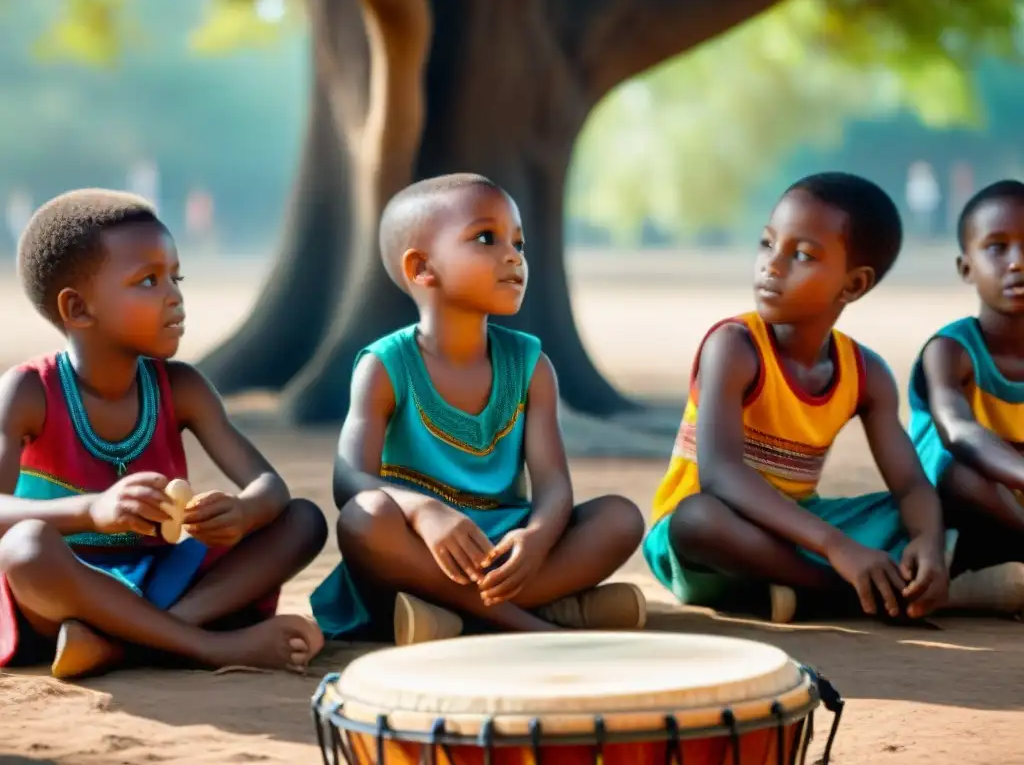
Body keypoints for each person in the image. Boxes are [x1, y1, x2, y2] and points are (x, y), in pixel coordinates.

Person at [0, 189, 328, 679]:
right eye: (148, 280)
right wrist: (91, 509)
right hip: (68, 586)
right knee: (25, 549)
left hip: (165, 577)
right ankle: (208, 647)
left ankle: (124, 644)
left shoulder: (181, 386)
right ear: (78, 309)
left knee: (302, 521)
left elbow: (269, 487)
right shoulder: (30, 390)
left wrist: (241, 512)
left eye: (176, 277)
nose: (174, 295)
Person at [310, 173, 647, 645]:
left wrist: (537, 538)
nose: (513, 255)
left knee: (620, 518)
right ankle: (538, 623)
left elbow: (553, 488)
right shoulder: (385, 367)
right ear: (422, 268)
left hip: (506, 546)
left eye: (518, 242)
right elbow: (350, 482)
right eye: (486, 238)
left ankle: (450, 620)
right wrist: (425, 512)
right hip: (421, 551)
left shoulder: (531, 367)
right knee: (364, 519)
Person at [644, 172, 951, 624]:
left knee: (931, 510)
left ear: (853, 285)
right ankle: (848, 592)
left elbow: (909, 484)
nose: (772, 265)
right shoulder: (735, 347)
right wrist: (837, 547)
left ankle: (828, 587)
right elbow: (721, 476)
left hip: (793, 529)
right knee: (697, 518)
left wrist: (927, 539)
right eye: (768, 244)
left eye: (802, 254)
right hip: (712, 543)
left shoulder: (867, 374)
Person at [909, 179, 1024, 614]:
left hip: (1011, 511)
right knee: (964, 473)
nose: (1017, 263)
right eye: (997, 247)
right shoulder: (951, 350)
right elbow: (959, 432)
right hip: (951, 506)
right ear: (966, 267)